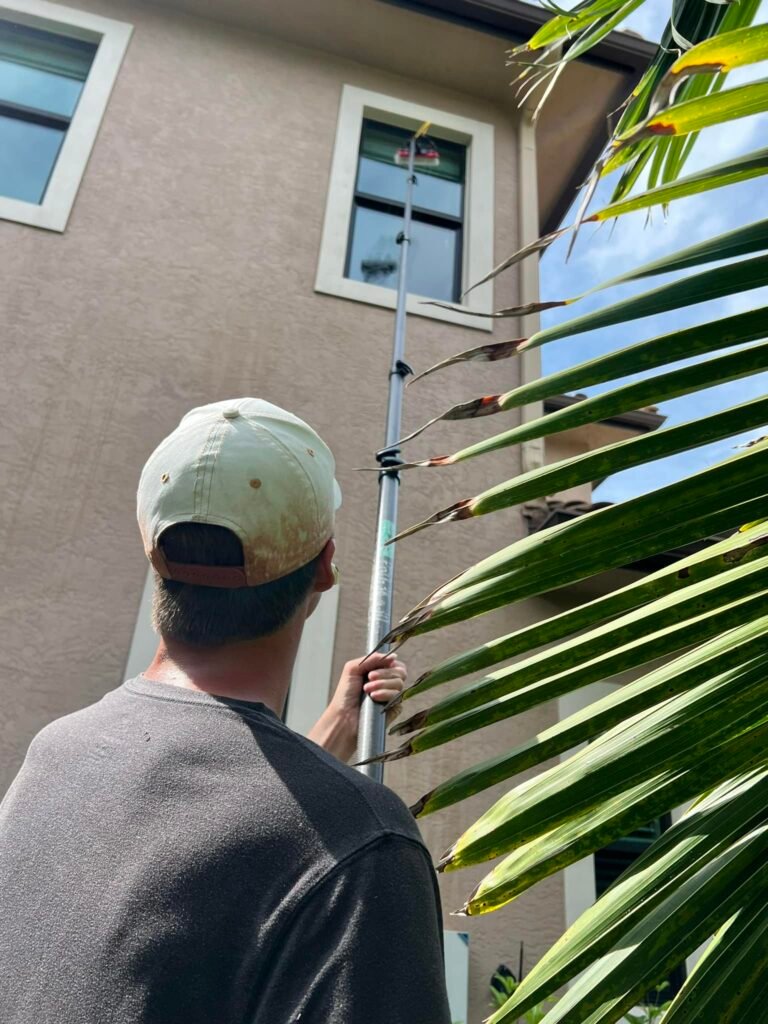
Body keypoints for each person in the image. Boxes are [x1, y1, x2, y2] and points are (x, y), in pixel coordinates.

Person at [0, 398, 451, 1024]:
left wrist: (334, 734)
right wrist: (340, 799)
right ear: (324, 566)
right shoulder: (366, 848)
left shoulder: (57, 752)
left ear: (151, 548)